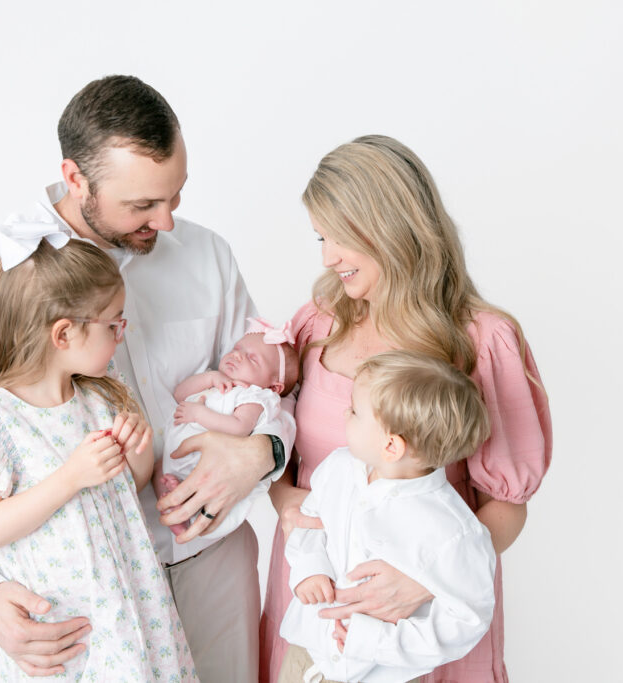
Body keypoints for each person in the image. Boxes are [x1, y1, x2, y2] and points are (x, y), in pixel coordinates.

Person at [0, 75, 294, 682]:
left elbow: (272, 384)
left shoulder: (207, 255)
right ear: (75, 177)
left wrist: (264, 451)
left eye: (176, 195)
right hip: (74, 599)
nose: (166, 222)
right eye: (142, 205)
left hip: (212, 563)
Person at [260, 135, 552, 683]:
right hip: (316, 602)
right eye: (321, 237)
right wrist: (286, 501)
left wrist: (426, 580)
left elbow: (509, 506)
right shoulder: (316, 323)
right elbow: (276, 452)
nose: (327, 257)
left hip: (421, 622)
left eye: (342, 236)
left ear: (393, 227)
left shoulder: (481, 341)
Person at [0, 231, 195, 681]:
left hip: (132, 611)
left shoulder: (101, 397)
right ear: (64, 333)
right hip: (67, 634)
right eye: (113, 325)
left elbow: (128, 488)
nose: (121, 335)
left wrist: (136, 450)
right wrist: (70, 477)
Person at [278, 351, 496, 683]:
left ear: (391, 446)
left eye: (354, 411)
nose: (345, 413)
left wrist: (377, 641)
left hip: (379, 673)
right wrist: (310, 568)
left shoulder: (453, 530)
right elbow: (310, 524)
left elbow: (466, 619)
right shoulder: (338, 469)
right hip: (309, 654)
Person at [156, 318, 299, 538]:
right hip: (176, 456)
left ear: (273, 387)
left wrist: (199, 414)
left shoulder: (254, 398)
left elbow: (238, 427)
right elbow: (179, 394)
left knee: (199, 487)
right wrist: (210, 378)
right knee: (158, 472)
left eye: (252, 359)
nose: (237, 355)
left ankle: (184, 513)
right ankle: (174, 503)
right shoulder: (217, 381)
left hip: (210, 463)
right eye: (237, 349)